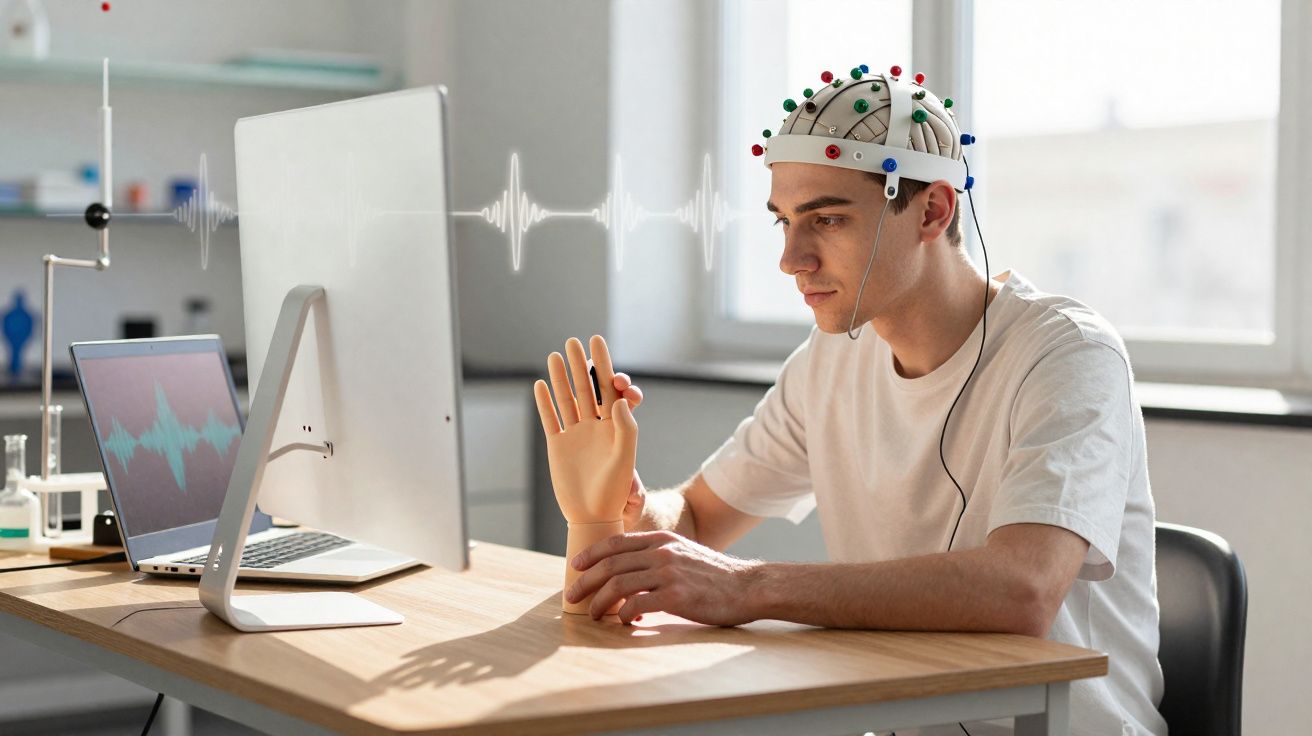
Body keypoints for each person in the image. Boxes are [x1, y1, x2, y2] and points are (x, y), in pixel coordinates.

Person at [533, 65, 1166, 736]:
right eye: (783, 222)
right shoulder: (831, 359)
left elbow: (1024, 589)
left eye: (826, 219)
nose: (791, 258)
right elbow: (692, 518)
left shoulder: (1068, 353)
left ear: (933, 210)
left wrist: (746, 589)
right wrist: (626, 505)